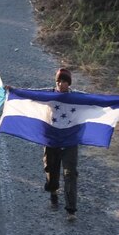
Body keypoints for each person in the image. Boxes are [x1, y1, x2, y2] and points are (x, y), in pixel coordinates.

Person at [46, 68, 79, 219]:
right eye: (58, 81)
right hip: (52, 139)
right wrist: (12, 90)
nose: (60, 84)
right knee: (51, 168)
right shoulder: (48, 94)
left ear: (69, 83)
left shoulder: (77, 97)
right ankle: (53, 191)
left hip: (70, 141)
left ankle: (71, 210)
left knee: (70, 174)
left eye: (64, 81)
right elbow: (29, 94)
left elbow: (97, 100)